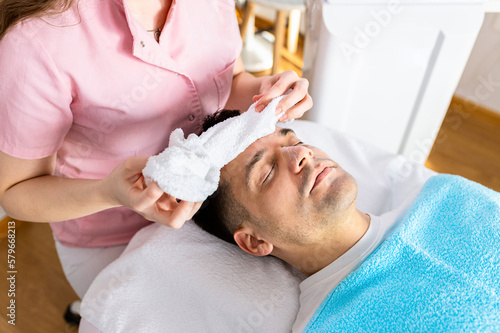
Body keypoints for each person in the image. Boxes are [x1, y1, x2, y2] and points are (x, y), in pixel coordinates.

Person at [0, 0, 312, 300]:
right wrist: (110, 192)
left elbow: (231, 80)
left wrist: (267, 95)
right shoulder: (36, 42)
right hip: (110, 232)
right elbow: (17, 191)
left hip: (210, 204)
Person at [193, 110, 500, 332]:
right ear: (255, 241)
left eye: (293, 140)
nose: (301, 154)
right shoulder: (329, 324)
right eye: (269, 171)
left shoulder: (449, 197)